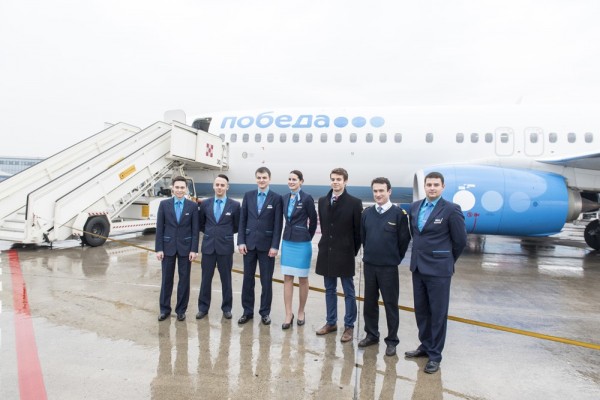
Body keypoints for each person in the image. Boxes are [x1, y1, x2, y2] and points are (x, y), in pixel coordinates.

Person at [404, 171, 467, 374]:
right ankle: (425, 345)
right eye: (429, 184)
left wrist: (446, 259)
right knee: (422, 311)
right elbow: (416, 234)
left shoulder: (451, 209)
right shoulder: (415, 207)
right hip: (418, 267)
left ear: (443, 187)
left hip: (439, 270)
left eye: (436, 185)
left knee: (438, 313)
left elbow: (460, 241)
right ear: (424, 186)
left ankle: (435, 355)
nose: (432, 188)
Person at [358, 177, 411, 356]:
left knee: (390, 304)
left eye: (381, 191)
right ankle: (371, 334)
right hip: (370, 265)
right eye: (375, 191)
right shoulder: (367, 213)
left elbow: (404, 241)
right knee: (369, 303)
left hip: (388, 267)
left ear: (389, 191)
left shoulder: (399, 214)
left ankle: (392, 340)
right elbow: (364, 238)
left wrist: (394, 258)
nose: (378, 194)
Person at [315, 167, 363, 343]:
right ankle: (331, 322)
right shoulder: (322, 201)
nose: (335, 182)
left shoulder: (354, 203)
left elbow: (358, 232)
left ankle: (349, 325)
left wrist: (351, 250)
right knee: (329, 289)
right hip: (327, 252)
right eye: (333, 179)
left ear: (345, 182)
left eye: (339, 179)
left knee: (348, 291)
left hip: (345, 252)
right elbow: (325, 227)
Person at [237, 167, 283, 325]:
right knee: (247, 280)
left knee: (266, 281)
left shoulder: (276, 198)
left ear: (269, 179)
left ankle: (265, 312)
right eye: (259, 177)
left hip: (267, 247)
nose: (261, 180)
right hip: (249, 245)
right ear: (256, 178)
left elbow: (278, 224)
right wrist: (241, 241)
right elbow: (242, 220)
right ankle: (247, 311)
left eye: (264, 177)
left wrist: (275, 246)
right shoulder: (248, 195)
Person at [196, 174, 241, 321]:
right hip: (208, 247)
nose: (219, 187)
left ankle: (227, 308)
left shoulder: (235, 205)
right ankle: (203, 308)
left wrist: (223, 234)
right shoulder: (205, 204)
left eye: (222, 185)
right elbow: (201, 224)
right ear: (213, 186)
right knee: (205, 279)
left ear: (227, 187)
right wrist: (212, 234)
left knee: (226, 280)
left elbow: (236, 226)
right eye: (217, 185)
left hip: (225, 247)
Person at [155, 176, 199, 322]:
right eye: (177, 187)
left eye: (182, 188)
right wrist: (159, 248)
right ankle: (164, 309)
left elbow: (195, 230)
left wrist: (194, 249)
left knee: (184, 280)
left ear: (186, 189)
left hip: (186, 248)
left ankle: (181, 310)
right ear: (172, 188)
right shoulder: (164, 204)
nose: (179, 190)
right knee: (166, 280)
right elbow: (160, 228)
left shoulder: (192, 206)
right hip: (167, 247)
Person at [280, 170, 318, 329]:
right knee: (287, 278)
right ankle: (288, 313)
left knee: (303, 278)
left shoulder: (307, 198)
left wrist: (307, 236)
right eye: (289, 179)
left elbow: (313, 220)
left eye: (294, 179)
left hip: (302, 243)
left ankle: (301, 311)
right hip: (287, 241)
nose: (291, 181)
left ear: (301, 181)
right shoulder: (284, 198)